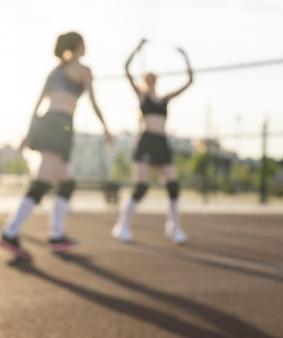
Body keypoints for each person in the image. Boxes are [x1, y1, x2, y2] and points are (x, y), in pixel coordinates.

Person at [1, 32, 111, 259]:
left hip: (47, 123)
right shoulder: (83, 69)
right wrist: (106, 129)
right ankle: (10, 232)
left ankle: (57, 235)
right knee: (43, 179)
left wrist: (29, 133)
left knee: (66, 182)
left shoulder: (54, 71)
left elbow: (37, 104)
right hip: (60, 125)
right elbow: (93, 101)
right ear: (79, 45)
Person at [112, 39, 194, 244]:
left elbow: (189, 81)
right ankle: (122, 226)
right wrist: (136, 48)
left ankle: (174, 227)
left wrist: (185, 57)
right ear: (145, 80)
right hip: (146, 141)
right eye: (148, 77)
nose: (152, 79)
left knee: (173, 186)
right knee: (142, 185)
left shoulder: (164, 99)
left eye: (154, 77)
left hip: (162, 142)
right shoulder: (142, 98)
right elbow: (126, 69)